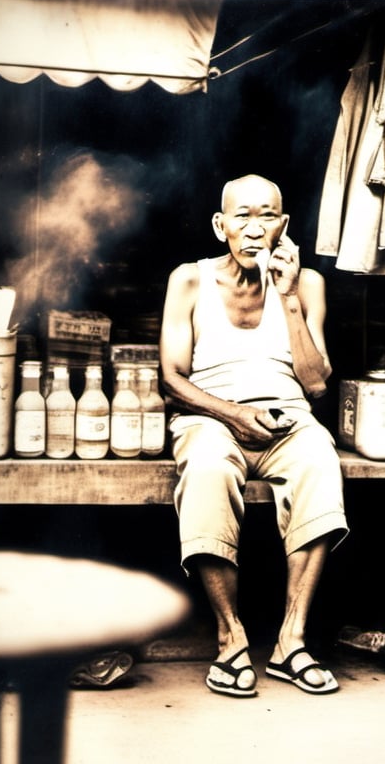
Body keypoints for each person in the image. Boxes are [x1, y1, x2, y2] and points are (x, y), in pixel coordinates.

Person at [159, 174, 349, 698]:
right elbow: (171, 380)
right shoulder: (190, 281)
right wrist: (233, 414)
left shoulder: (306, 284)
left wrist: (286, 296)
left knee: (318, 461)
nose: (254, 227)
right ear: (221, 226)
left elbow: (314, 382)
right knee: (208, 469)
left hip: (288, 420)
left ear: (283, 226)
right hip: (210, 419)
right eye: (241, 215)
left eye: (267, 215)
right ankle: (230, 637)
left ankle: (291, 640)